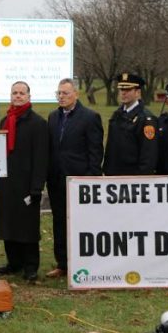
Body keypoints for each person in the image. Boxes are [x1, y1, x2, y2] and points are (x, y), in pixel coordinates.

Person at [46, 78, 103, 278]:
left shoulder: (90, 117)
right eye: (59, 93)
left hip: (79, 180)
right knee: (59, 221)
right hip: (56, 180)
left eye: (66, 93)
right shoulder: (53, 117)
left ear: (76, 94)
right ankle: (62, 264)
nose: (61, 97)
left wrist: (90, 177)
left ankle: (83, 263)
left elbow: (95, 151)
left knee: (81, 223)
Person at [0, 82, 48, 282]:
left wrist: (37, 187)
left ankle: (31, 267)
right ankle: (14, 263)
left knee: (28, 228)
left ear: (28, 96)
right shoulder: (5, 121)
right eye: (14, 93)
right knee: (8, 225)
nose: (17, 96)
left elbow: (41, 158)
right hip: (7, 183)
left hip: (27, 184)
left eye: (21, 93)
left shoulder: (37, 123)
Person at [103, 72, 158, 176]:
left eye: (128, 90)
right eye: (121, 89)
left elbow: (148, 154)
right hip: (114, 175)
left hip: (133, 177)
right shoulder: (117, 115)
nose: (123, 93)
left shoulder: (146, 119)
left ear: (137, 92)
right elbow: (111, 147)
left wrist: (140, 178)